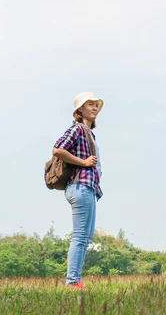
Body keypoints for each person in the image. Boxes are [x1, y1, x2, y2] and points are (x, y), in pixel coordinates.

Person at [52, 92, 104, 290]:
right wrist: (83, 162)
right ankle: (72, 282)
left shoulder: (90, 133)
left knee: (86, 236)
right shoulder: (77, 130)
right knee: (80, 236)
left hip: (88, 188)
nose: (94, 107)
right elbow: (57, 149)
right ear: (79, 110)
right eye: (89, 104)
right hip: (80, 187)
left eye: (96, 105)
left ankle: (75, 280)